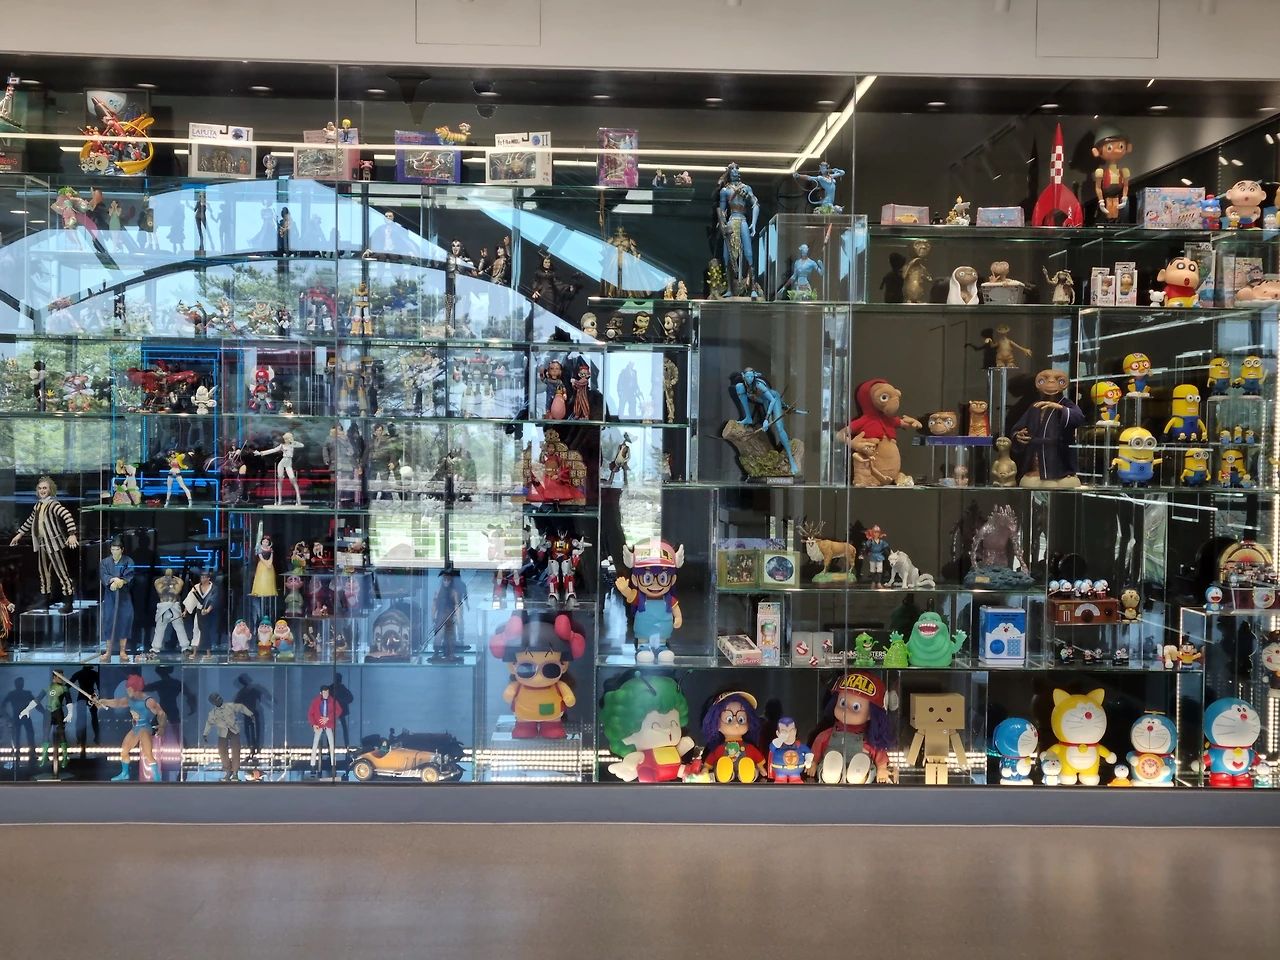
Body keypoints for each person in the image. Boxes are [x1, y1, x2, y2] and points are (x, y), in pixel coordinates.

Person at [10, 476, 78, 613]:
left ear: (50, 489)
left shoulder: (53, 505)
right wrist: (19, 534)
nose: (42, 491)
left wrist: (72, 534)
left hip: (54, 543)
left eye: (45, 488)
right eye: (40, 488)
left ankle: (68, 601)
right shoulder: (38, 505)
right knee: (44, 573)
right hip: (42, 544)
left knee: (62, 572)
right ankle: (45, 600)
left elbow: (67, 516)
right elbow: (30, 521)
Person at [95, 674, 167, 782]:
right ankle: (125, 773)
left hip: (144, 728)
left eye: (129, 689)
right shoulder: (130, 699)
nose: (127, 691)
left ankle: (157, 776)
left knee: (148, 754)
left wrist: (162, 726)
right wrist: (103, 702)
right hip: (135, 728)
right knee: (124, 751)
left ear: (135, 689)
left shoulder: (148, 701)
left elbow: (161, 713)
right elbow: (118, 703)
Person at [203, 692, 253, 782]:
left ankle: (235, 773)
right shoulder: (213, 713)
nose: (219, 698)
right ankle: (228, 771)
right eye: (216, 698)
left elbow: (241, 707)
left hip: (234, 731)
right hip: (222, 733)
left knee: (236, 751)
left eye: (219, 696)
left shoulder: (230, 706)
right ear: (213, 702)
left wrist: (250, 714)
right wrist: (205, 734)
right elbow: (209, 723)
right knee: (222, 752)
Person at [307, 685, 343, 778]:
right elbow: (310, 714)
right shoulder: (316, 701)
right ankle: (312, 765)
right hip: (318, 725)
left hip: (329, 724)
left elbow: (338, 710)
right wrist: (314, 725)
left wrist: (328, 718)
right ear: (321, 693)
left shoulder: (332, 700)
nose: (326, 694)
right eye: (324, 693)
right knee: (315, 745)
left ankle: (333, 765)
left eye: (327, 692)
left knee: (331, 745)